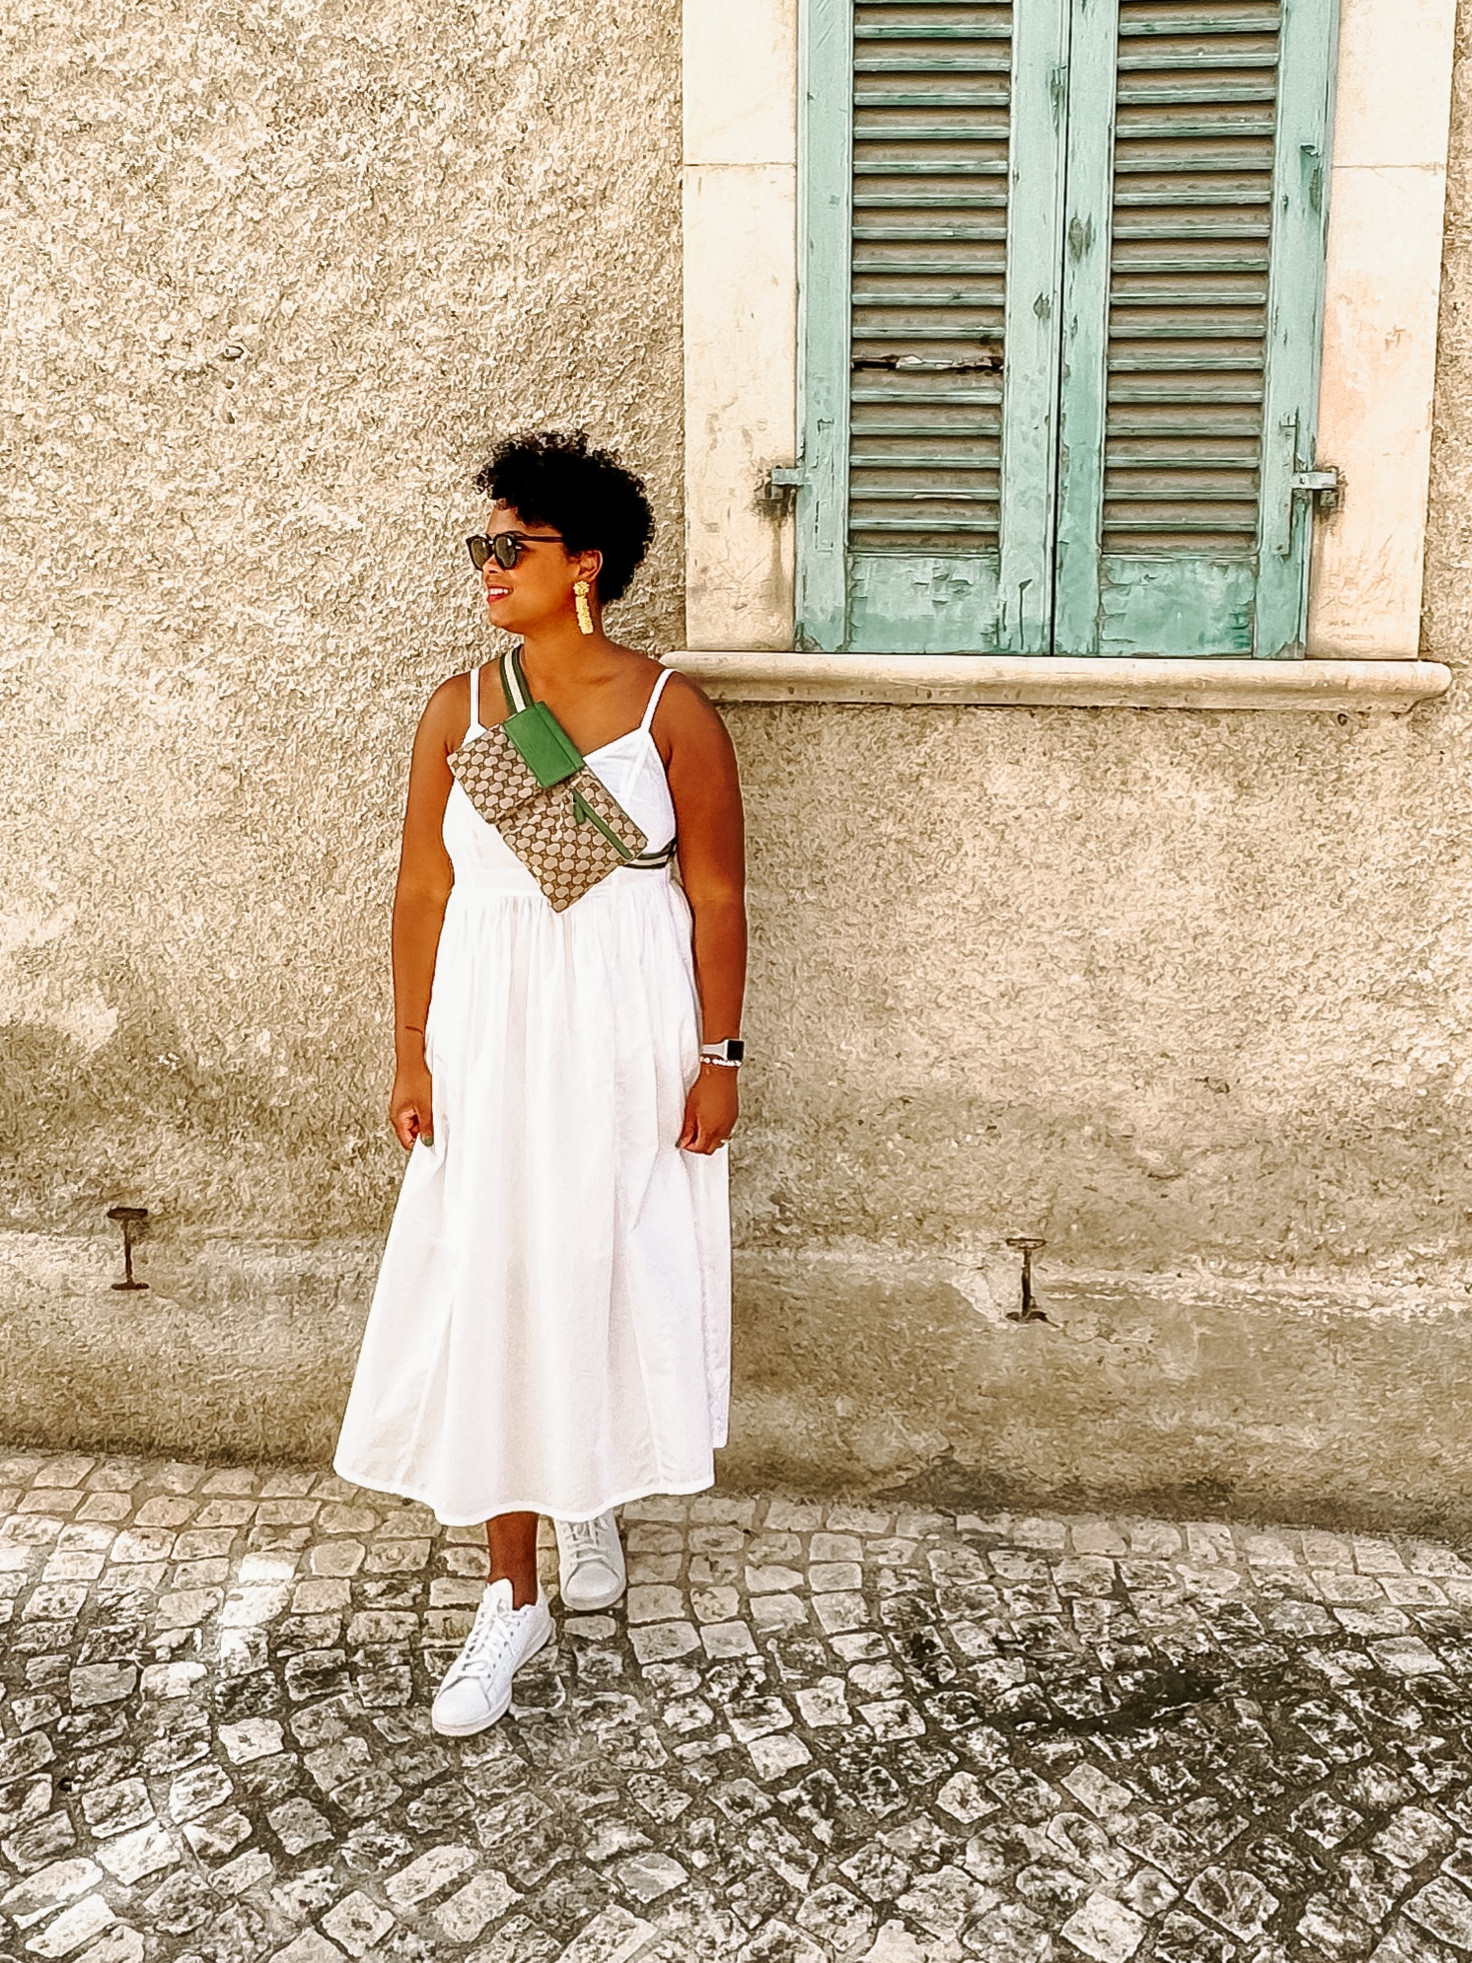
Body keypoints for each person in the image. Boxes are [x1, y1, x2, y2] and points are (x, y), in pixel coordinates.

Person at [333, 430, 745, 1735]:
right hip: (493, 1034)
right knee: (500, 1282)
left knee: (603, 1267)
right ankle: (508, 1599)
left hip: (630, 1032)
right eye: (484, 547)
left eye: (511, 547)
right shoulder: (464, 708)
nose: (487, 569)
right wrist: (411, 1049)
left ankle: (591, 1495)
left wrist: (722, 1057)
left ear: (588, 566)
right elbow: (423, 888)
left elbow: (719, 895)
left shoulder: (673, 709)